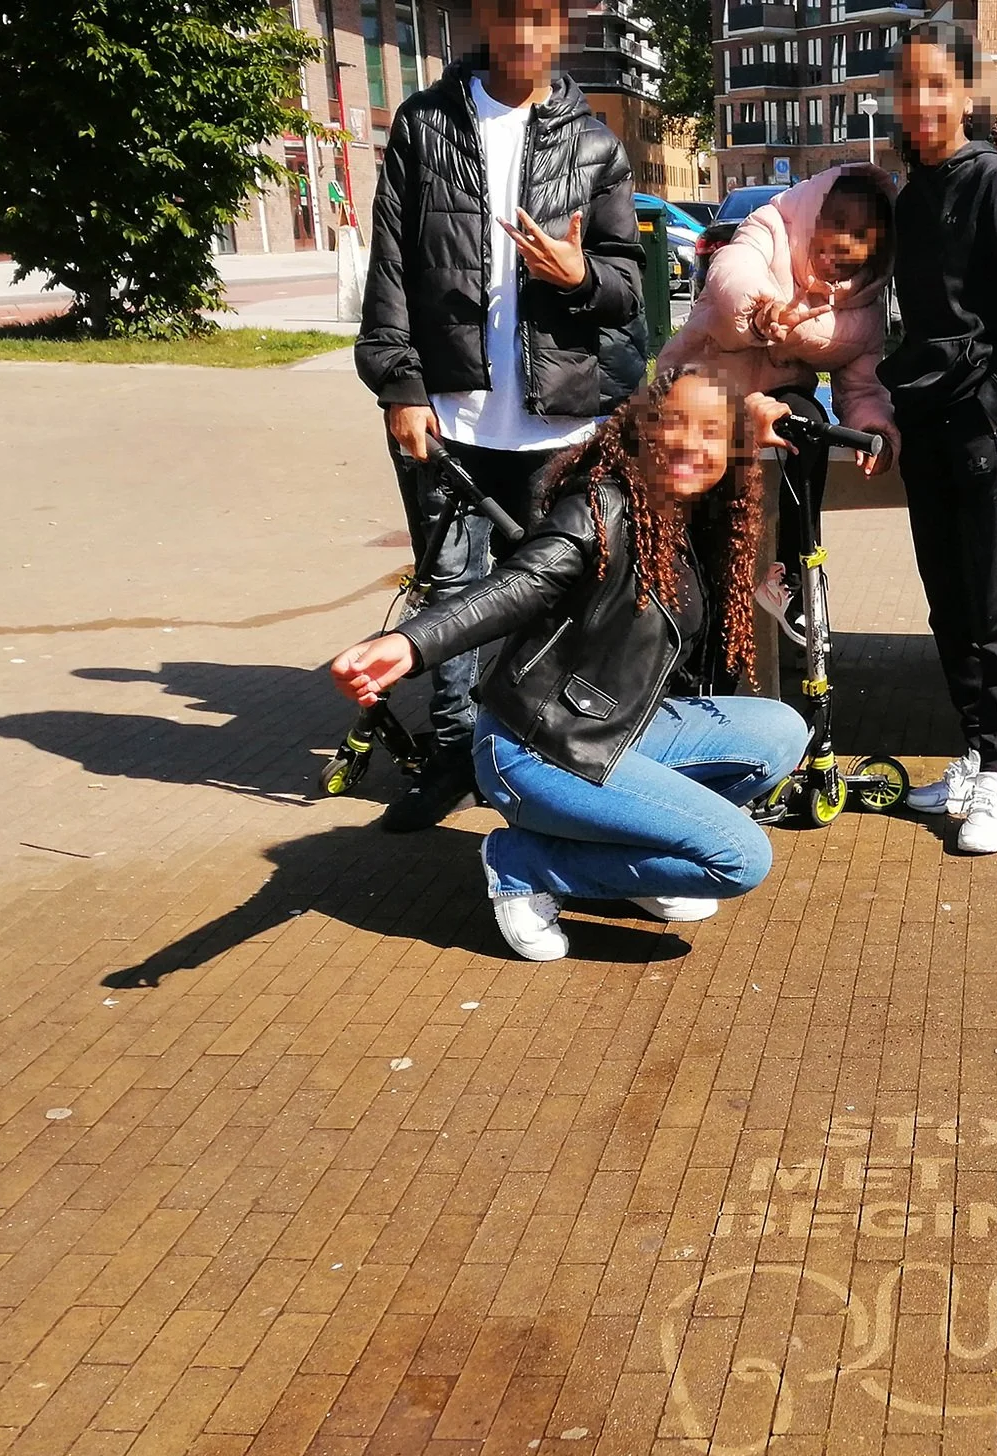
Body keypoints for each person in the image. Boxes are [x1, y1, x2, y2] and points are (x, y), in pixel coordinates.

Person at [329, 369, 811, 964]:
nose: (692, 443)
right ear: (637, 432)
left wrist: (751, 430)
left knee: (780, 731)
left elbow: (741, 446)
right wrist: (411, 643)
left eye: (713, 433)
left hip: (619, 729)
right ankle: (525, 865)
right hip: (536, 748)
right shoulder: (597, 509)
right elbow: (521, 582)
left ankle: (626, 861)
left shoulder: (696, 511)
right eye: (674, 423)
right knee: (740, 859)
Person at [356, 0, 645, 835]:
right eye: (509, 13)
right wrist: (400, 387)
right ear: (485, 18)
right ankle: (453, 760)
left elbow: (629, 289)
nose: (524, 32)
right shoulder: (424, 125)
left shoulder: (594, 141)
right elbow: (393, 268)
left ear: (560, 28)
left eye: (542, 15)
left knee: (547, 593)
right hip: (450, 413)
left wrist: (578, 273)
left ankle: (531, 752)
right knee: (448, 588)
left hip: (558, 424)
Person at [879, 20, 997, 855]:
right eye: (906, 85)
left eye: (935, 86)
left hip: (995, 431)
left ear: (964, 93)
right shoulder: (911, 191)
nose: (919, 103)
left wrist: (995, 406)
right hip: (926, 426)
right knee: (949, 602)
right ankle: (972, 754)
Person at [656, 166, 899, 637]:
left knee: (809, 419)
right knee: (704, 543)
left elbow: (862, 386)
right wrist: (763, 308)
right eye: (837, 220)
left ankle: (795, 574)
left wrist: (874, 429)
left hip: (774, 401)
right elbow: (731, 269)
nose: (843, 242)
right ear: (814, 212)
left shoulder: (863, 312)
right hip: (703, 385)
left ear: (878, 248)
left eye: (861, 236)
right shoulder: (771, 227)